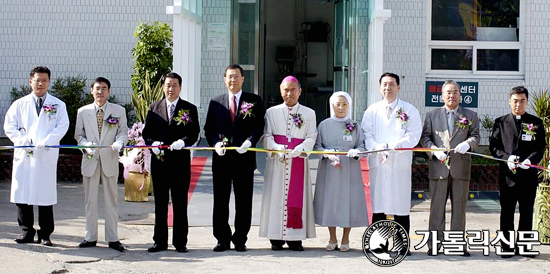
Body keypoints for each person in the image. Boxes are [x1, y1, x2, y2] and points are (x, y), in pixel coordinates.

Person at [3, 66, 69, 246]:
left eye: (44, 80)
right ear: (30, 81)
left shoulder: (58, 104)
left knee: (45, 196)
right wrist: (22, 140)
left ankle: (45, 234)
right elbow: (9, 126)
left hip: (44, 154)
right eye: (37, 80)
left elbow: (62, 126)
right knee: (23, 195)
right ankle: (26, 231)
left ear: (49, 82)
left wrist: (47, 141)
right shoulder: (19, 104)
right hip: (25, 154)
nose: (40, 83)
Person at [204, 64, 265, 252]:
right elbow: (209, 128)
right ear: (224, 79)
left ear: (243, 79)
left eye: (236, 76)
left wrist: (249, 141)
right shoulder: (216, 102)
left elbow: (259, 126)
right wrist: (215, 143)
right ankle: (222, 238)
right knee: (220, 201)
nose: (233, 80)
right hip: (221, 160)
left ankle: (240, 239)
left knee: (243, 201)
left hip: (244, 159)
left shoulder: (254, 100)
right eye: (229, 77)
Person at [360, 72, 422, 255]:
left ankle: (402, 245)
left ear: (399, 87)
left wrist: (396, 146)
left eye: (392, 84)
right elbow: (366, 135)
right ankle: (377, 244)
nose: (388, 88)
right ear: (380, 88)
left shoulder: (409, 110)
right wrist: (378, 147)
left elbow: (414, 134)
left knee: (400, 205)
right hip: (378, 161)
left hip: (399, 162)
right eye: (384, 85)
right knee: (379, 205)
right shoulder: (372, 110)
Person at [142, 72, 200, 253]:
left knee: (180, 203)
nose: (171, 89)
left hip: (180, 163)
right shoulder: (154, 107)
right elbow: (147, 132)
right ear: (163, 87)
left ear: (180, 87)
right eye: (168, 85)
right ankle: (159, 241)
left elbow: (194, 132)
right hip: (159, 163)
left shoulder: (189, 108)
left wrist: (183, 141)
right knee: (160, 203)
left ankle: (180, 242)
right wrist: (153, 144)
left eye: (174, 85)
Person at [421, 80, 480, 256]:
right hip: (439, 167)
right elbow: (425, 138)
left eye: (455, 92)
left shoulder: (470, 115)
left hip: (460, 167)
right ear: (442, 95)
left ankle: (457, 245)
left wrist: (468, 144)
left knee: (459, 209)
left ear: (460, 95)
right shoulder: (432, 115)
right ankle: (434, 245)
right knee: (436, 208)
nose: (451, 95)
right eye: (448, 92)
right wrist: (434, 150)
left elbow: (476, 137)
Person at [259, 76, 317, 251]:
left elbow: (312, 136)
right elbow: (266, 136)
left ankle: (295, 238)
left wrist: (301, 148)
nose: (289, 93)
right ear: (280, 91)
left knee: (297, 197)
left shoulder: (309, 113)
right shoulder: (271, 112)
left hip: (297, 159)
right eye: (286, 90)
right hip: (278, 161)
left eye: (293, 89)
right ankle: (275, 238)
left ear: (299, 91)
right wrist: (275, 146)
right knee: (276, 197)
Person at [489, 86, 545, 258]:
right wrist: (507, 158)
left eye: (522, 101)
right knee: (507, 211)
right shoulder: (500, 122)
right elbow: (494, 147)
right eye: (515, 101)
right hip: (508, 176)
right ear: (509, 101)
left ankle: (525, 246)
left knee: (527, 211)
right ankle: (506, 245)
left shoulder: (535, 123)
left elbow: (540, 146)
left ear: (526, 102)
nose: (518, 104)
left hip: (528, 176)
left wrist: (531, 160)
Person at [74, 77, 129, 252]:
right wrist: (86, 146)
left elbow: (123, 132)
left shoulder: (118, 110)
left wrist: (120, 142)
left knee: (111, 200)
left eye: (104, 88)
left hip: (109, 160)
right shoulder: (83, 111)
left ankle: (113, 238)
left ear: (109, 91)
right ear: (91, 91)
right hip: (90, 160)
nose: (100, 92)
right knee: (90, 201)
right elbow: (78, 136)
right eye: (97, 88)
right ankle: (90, 237)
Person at [313, 91, 369, 252]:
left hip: (349, 168)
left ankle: (346, 238)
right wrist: (327, 154)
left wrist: (356, 151)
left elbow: (362, 145)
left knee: (347, 202)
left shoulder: (354, 125)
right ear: (332, 106)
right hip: (329, 169)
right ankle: (332, 237)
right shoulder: (324, 125)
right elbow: (317, 145)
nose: (341, 107)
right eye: (338, 104)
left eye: (344, 104)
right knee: (330, 201)